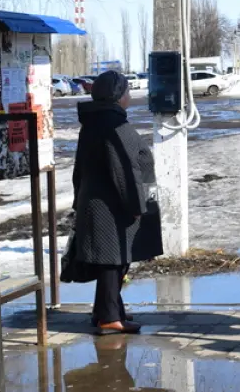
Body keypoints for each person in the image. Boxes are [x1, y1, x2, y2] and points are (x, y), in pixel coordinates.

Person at [71, 70, 162, 335]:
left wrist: (79, 197)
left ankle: (107, 310)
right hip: (111, 206)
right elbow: (123, 170)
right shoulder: (113, 125)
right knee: (114, 260)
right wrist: (135, 206)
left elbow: (79, 168)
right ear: (118, 96)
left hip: (96, 201)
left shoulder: (94, 122)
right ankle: (109, 317)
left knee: (113, 261)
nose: (129, 96)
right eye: (127, 91)